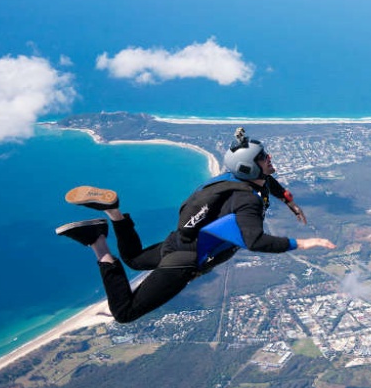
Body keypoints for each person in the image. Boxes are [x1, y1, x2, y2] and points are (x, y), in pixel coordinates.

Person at [55, 128, 336, 323]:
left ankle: (114, 213)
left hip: (178, 241)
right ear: (251, 167)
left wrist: (289, 201)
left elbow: (268, 184)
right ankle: (97, 242)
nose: (269, 158)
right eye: (264, 157)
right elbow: (255, 241)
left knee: (133, 259)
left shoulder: (233, 180)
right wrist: (300, 243)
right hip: (185, 262)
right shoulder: (246, 201)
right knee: (124, 313)